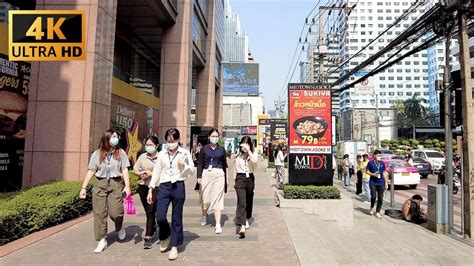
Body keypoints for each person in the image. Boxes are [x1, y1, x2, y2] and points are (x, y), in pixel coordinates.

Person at [79, 130, 131, 253]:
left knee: (116, 212)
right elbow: (91, 170)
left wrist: (127, 186)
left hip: (115, 183)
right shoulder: (97, 154)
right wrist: (83, 187)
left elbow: (124, 169)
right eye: (113, 136)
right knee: (99, 213)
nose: (116, 138)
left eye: (116, 136)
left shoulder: (121, 153)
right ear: (107, 138)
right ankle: (102, 240)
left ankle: (119, 226)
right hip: (100, 184)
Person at [146, 128, 194, 260]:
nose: (170, 143)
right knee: (160, 216)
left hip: (178, 185)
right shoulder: (161, 153)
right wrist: (150, 189)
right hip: (164, 186)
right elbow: (156, 172)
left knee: (176, 218)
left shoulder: (184, 153)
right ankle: (165, 234)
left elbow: (192, 171)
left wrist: (184, 165)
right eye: (168, 141)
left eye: (173, 140)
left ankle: (174, 246)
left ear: (178, 140)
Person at [197, 128, 228, 234]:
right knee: (206, 199)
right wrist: (199, 177)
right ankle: (204, 214)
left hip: (219, 174)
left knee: (217, 199)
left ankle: (218, 224)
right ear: (209, 137)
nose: (215, 138)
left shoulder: (221, 149)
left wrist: (226, 180)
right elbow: (200, 163)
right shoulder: (204, 149)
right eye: (213, 136)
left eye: (216, 136)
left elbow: (224, 165)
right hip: (206, 174)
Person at [133, 136, 159, 249]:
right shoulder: (142, 157)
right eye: (147, 145)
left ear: (156, 146)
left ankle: (148, 236)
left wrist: (151, 174)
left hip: (156, 186)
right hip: (143, 186)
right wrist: (142, 173)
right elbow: (135, 169)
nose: (148, 147)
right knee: (147, 210)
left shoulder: (161, 157)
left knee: (151, 209)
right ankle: (153, 225)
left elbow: (163, 172)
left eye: (151, 145)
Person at [233, 136, 258, 239]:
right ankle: (242, 226)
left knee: (248, 199)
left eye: (247, 143)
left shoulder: (253, 153)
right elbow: (235, 167)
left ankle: (246, 217)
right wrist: (233, 179)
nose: (244, 145)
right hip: (240, 178)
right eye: (243, 143)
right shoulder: (238, 154)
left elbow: (255, 162)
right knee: (242, 201)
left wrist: (249, 151)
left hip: (250, 178)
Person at [366, 150, 389, 219]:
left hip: (381, 183)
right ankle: (371, 207)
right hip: (373, 182)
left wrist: (386, 183)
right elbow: (367, 171)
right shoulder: (370, 163)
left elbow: (385, 173)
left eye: (380, 155)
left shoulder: (382, 163)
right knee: (373, 197)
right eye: (378, 155)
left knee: (380, 198)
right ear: (374, 155)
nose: (379, 157)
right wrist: (373, 174)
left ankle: (378, 212)